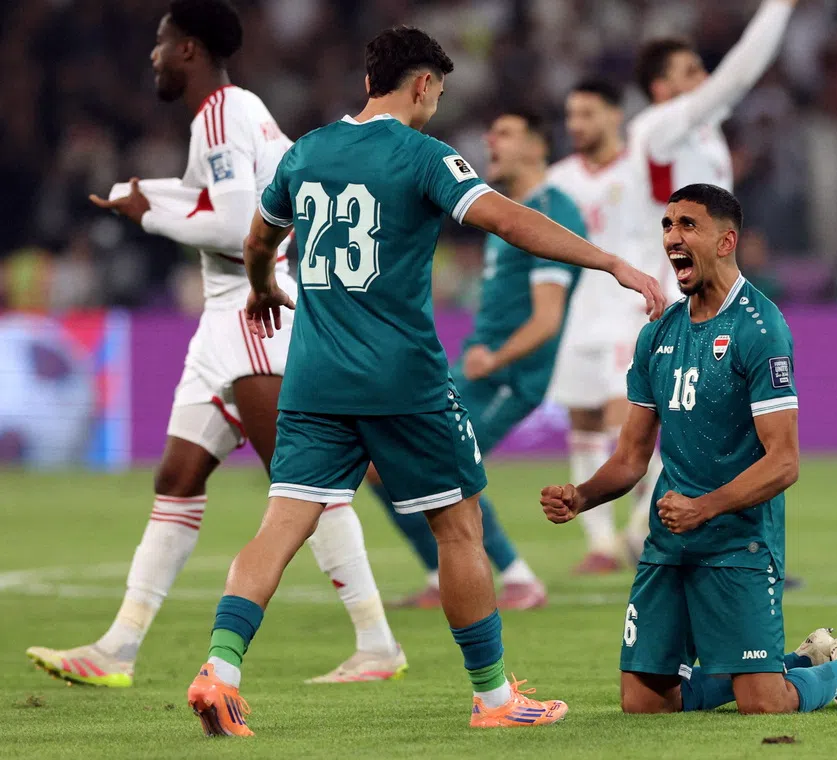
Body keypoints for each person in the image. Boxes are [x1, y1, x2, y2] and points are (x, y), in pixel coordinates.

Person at [185, 26, 665, 736]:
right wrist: (611, 263)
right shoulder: (424, 157)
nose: (438, 102)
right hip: (403, 381)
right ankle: (496, 699)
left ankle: (219, 672)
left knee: (281, 526)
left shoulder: (308, 152)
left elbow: (258, 241)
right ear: (420, 84)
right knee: (459, 526)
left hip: (314, 380)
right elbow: (507, 219)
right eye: (438, 89)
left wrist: (262, 287)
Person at [25, 0, 403, 688]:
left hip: (255, 316)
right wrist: (149, 192)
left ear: (191, 50)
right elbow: (217, 197)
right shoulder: (232, 114)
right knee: (177, 478)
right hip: (222, 322)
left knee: (301, 483)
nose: (153, 56)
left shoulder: (225, 113)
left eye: (163, 44)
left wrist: (150, 218)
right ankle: (118, 648)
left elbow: (235, 229)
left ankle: (377, 643)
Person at [541, 184, 837, 715]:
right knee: (645, 703)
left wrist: (705, 507)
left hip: (738, 542)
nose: (673, 236)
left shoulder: (760, 328)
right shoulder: (657, 335)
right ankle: (800, 663)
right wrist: (580, 497)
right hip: (670, 541)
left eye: (688, 225)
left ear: (725, 241)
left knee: (762, 704)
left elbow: (784, 461)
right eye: (668, 226)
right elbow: (630, 459)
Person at [619, 0, 806, 588]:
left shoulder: (699, 130)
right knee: (703, 424)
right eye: (689, 72)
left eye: (702, 70)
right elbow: (740, 74)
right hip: (679, 298)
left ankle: (648, 530)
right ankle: (681, 537)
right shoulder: (658, 125)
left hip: (713, 290)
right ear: (660, 86)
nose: (703, 81)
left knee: (721, 423)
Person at [367, 109, 585, 610]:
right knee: (381, 464)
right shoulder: (507, 210)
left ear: (537, 147)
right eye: (491, 131)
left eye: (505, 132)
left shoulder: (551, 211)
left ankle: (520, 579)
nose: (490, 139)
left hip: (510, 375)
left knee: (444, 464)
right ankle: (438, 575)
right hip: (476, 367)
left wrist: (497, 359)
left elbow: (548, 318)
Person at [546, 79, 654, 573]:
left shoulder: (642, 170)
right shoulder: (558, 179)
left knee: (627, 422)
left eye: (587, 114)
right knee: (583, 424)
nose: (576, 125)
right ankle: (601, 543)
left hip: (628, 312)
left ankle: (647, 529)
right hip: (577, 315)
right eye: (571, 115)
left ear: (615, 115)